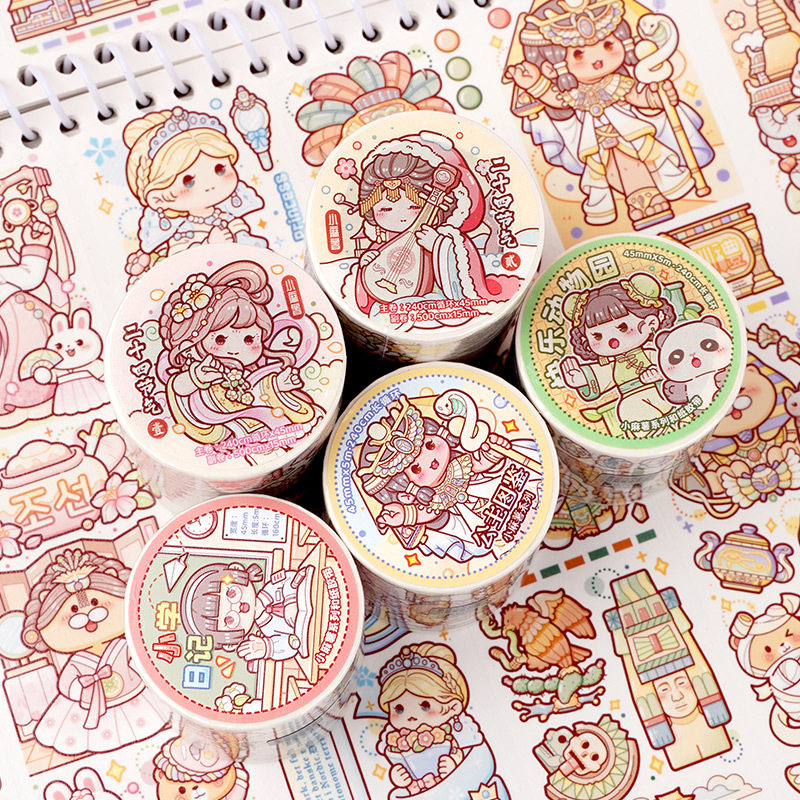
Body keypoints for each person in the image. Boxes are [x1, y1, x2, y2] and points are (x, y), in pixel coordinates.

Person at [504, 0, 713, 228]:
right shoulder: (575, 93)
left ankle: (650, 196)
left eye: (608, 44)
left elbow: (638, 97)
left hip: (630, 130)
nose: (597, 59)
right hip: (595, 139)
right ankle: (636, 201)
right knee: (601, 171)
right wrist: (535, 85)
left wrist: (657, 97)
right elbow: (559, 101)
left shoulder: (617, 81)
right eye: (579, 53)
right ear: (551, 67)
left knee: (647, 154)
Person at [157, 260, 321, 446]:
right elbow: (179, 389)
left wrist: (278, 385)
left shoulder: (253, 372)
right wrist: (196, 378)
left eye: (249, 339)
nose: (235, 348)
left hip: (263, 436)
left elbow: (253, 395)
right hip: (228, 441)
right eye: (220, 339)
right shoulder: (206, 370)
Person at [21, 549, 168, 755]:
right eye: (73, 611)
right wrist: (80, 687)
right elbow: (66, 684)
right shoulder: (77, 662)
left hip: (134, 695)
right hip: (93, 704)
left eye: (96, 603)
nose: (87, 614)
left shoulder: (124, 646)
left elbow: (142, 661)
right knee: (100, 738)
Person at [123, 107, 267, 277]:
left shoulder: (227, 217)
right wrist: (211, 244)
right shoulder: (182, 234)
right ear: (158, 199)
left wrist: (242, 238)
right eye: (188, 181)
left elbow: (246, 240)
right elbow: (184, 268)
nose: (209, 185)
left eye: (220, 169)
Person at [377, 643, 509, 799]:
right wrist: (399, 778)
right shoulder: (398, 744)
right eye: (399, 710)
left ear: (453, 707)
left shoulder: (463, 732)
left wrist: (456, 764)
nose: (411, 716)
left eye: (425, 706)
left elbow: (482, 763)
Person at [559, 272, 677, 432]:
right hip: (635, 403)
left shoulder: (651, 353)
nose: (612, 341)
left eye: (623, 327)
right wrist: (582, 379)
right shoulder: (612, 366)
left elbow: (674, 365)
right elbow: (601, 377)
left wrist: (659, 373)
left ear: (650, 323)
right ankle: (659, 433)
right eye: (597, 336)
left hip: (664, 393)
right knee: (628, 408)